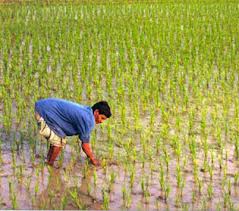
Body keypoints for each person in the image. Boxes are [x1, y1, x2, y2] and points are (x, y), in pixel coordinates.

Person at [34, 98, 111, 167]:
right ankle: (49, 166)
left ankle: (48, 161)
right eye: (102, 118)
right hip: (43, 111)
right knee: (59, 142)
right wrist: (93, 160)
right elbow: (85, 145)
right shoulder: (88, 120)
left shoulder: (87, 112)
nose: (101, 121)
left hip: (43, 107)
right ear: (96, 112)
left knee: (58, 137)